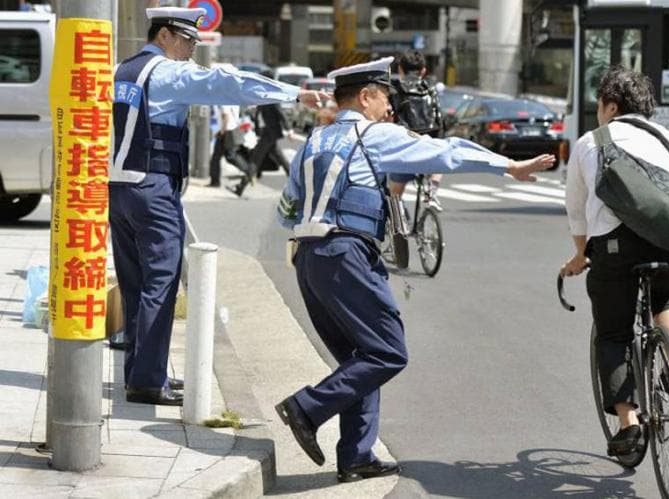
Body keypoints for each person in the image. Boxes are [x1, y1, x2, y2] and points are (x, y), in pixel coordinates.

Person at [274, 56, 555, 482]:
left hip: (309, 259)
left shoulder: (313, 141)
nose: (389, 108)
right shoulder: (374, 135)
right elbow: (446, 152)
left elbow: (286, 209)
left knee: (359, 356)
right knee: (387, 351)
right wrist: (508, 166)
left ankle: (357, 456)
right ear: (366, 97)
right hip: (347, 254)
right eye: (384, 97)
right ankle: (306, 407)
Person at [110, 6, 329, 406]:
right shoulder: (167, 74)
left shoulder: (121, 70)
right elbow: (227, 84)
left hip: (119, 188)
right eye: (188, 40)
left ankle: (140, 373)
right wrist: (294, 93)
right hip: (153, 187)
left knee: (134, 284)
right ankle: (147, 380)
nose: (192, 48)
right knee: (161, 283)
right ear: (164, 36)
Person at [560, 67, 669, 455]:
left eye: (599, 106)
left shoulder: (590, 142)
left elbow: (576, 210)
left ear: (610, 106)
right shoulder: (667, 138)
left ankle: (628, 424)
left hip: (614, 247)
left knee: (613, 330)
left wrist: (581, 254)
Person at [388, 49, 445, 211]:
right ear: (423, 71)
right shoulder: (431, 89)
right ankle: (432, 192)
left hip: (406, 147)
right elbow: (439, 119)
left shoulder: (394, 90)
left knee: (394, 191)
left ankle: (399, 218)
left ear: (400, 69)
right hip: (430, 146)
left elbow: (387, 117)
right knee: (440, 155)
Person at [252, 101, 292, 176]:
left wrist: (289, 129)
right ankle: (294, 178)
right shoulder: (261, 100)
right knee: (280, 157)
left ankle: (241, 185)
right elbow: (258, 116)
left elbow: (281, 113)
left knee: (255, 159)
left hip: (269, 133)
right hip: (265, 132)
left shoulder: (272, 100)